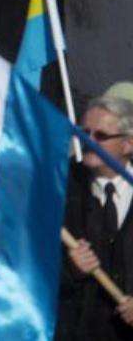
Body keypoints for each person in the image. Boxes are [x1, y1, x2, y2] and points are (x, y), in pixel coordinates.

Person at [58, 94, 133, 339]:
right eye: (83, 132)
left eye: (100, 136)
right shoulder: (60, 186)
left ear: (128, 144)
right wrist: (72, 270)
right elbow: (33, 267)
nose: (88, 141)